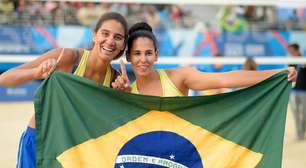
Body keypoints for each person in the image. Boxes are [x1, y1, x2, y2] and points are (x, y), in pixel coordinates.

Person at [0, 12, 128, 167]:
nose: (110, 41)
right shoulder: (69, 57)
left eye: (118, 37)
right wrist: (36, 73)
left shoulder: (116, 81)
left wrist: (124, 97)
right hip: (40, 141)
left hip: (72, 150)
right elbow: (4, 78)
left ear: (123, 44)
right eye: (105, 34)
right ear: (94, 35)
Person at [112, 22, 297, 98]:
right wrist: (125, 98)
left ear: (157, 55)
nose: (143, 59)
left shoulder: (178, 77)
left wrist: (276, 73)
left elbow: (225, 78)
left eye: (148, 53)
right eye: (137, 54)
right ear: (128, 56)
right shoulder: (127, 90)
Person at [288, 43, 306, 140]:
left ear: (296, 50)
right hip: (293, 91)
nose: (289, 52)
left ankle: (302, 131)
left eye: (291, 50)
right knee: (296, 113)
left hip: (304, 91)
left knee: (304, 113)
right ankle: (299, 134)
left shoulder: (303, 60)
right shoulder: (291, 62)